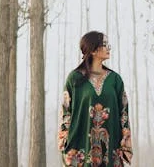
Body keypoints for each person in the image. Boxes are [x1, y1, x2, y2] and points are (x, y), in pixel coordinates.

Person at [57, 31, 133, 166]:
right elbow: (66, 112)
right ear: (93, 50)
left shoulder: (115, 80)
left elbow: (124, 113)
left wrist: (125, 142)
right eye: (104, 44)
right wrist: (64, 140)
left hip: (110, 148)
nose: (108, 48)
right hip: (80, 146)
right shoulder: (74, 79)